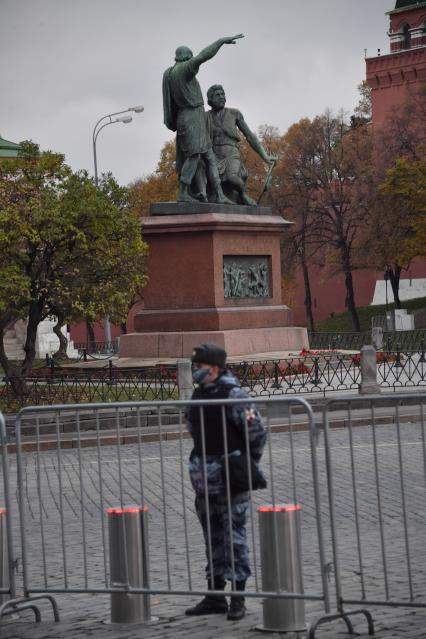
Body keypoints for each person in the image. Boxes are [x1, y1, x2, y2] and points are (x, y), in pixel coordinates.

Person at [185, 343, 266, 620]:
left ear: (215, 368)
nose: (195, 371)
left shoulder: (234, 395)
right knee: (213, 541)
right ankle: (215, 596)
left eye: (199, 367)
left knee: (235, 539)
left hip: (231, 481)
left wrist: (244, 464)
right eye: (194, 367)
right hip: (204, 484)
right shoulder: (198, 396)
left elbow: (257, 433)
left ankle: (238, 598)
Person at [162, 37, 244, 203]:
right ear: (187, 58)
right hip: (192, 117)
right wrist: (221, 42)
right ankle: (183, 193)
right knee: (194, 156)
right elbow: (204, 56)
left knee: (209, 157)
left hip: (191, 117)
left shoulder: (169, 74)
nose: (193, 61)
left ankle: (220, 195)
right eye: (191, 58)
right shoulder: (183, 70)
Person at [205, 84, 276, 205]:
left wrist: (265, 156)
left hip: (232, 154)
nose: (222, 97)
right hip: (214, 155)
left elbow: (250, 136)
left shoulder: (234, 113)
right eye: (217, 95)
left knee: (232, 178)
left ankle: (242, 195)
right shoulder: (205, 117)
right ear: (210, 100)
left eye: (223, 94)